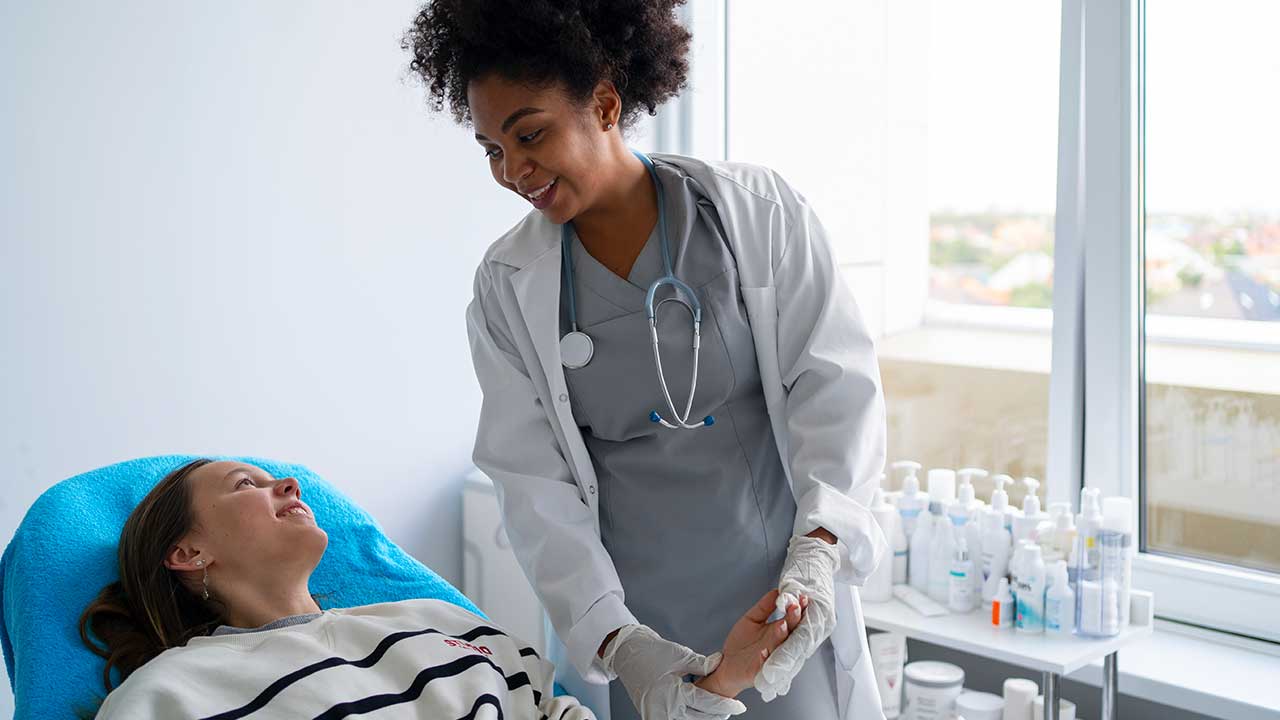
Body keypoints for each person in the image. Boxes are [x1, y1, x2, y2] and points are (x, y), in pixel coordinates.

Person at [402, 2, 890, 719]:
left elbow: (839, 393)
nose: (512, 171)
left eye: (529, 135)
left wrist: (820, 553)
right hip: (641, 633)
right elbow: (533, 487)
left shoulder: (757, 213)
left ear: (604, 104)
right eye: (491, 149)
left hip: (783, 609)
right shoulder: (509, 284)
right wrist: (620, 644)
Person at [79, 459, 801, 718]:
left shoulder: (438, 622)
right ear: (187, 551)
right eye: (248, 486)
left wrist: (721, 682)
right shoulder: (172, 695)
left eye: (276, 478)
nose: (287, 485)